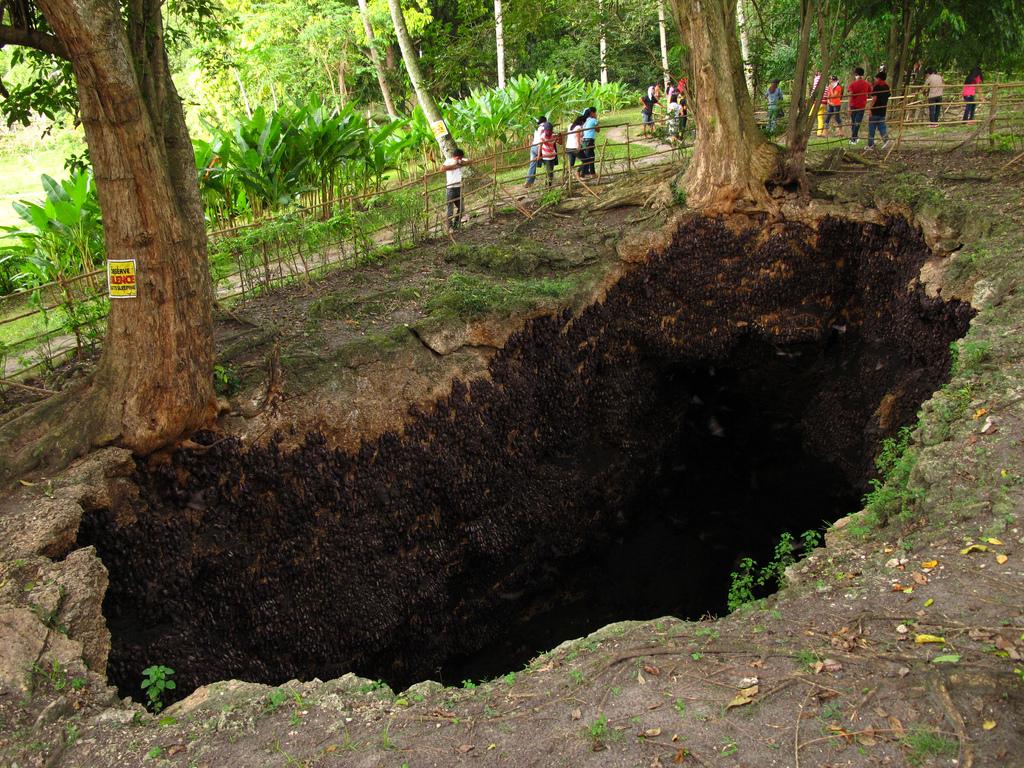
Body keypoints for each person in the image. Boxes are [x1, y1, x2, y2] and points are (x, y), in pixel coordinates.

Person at [441, 148, 469, 230]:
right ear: (456, 157)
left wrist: (462, 163)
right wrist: (455, 166)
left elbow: (470, 161)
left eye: (461, 158)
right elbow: (442, 168)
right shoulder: (448, 161)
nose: (460, 159)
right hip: (451, 188)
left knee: (461, 208)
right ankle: (449, 227)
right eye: (459, 158)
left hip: (458, 187)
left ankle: (456, 224)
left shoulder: (461, 160)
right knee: (450, 209)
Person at [866, 70, 891, 151]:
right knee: (882, 126)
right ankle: (886, 140)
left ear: (879, 78)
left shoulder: (877, 87)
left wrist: (870, 108)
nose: (875, 80)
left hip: (875, 110)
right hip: (883, 110)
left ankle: (871, 145)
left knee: (871, 128)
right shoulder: (887, 87)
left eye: (876, 78)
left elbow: (874, 98)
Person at [847, 67, 871, 144]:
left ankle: (853, 138)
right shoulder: (867, 84)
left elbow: (850, 94)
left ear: (856, 74)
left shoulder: (853, 84)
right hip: (861, 105)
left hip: (853, 105)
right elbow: (870, 92)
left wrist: (849, 106)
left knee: (854, 122)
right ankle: (855, 137)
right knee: (857, 122)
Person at [524, 116, 546, 187]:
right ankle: (549, 178)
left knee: (532, 165)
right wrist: (539, 154)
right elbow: (541, 142)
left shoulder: (537, 129)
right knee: (548, 161)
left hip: (533, 146)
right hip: (538, 147)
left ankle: (528, 182)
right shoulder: (543, 128)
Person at [580, 107, 599, 178]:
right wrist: (596, 119)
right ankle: (582, 173)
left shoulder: (584, 121)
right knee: (590, 157)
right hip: (589, 141)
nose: (595, 114)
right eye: (595, 113)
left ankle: (589, 173)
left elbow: (582, 132)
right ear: (592, 113)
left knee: (589, 157)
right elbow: (598, 130)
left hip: (584, 140)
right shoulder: (593, 120)